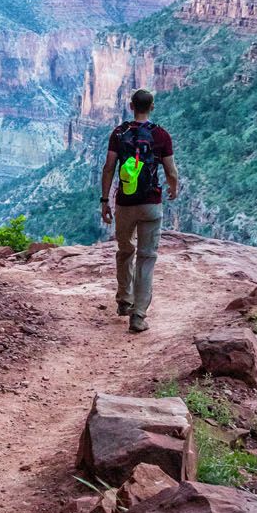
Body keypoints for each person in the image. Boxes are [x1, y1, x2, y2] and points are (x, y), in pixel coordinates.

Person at [99, 88, 178, 333]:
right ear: (152, 107)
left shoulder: (119, 133)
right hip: (151, 204)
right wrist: (173, 188)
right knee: (146, 257)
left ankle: (124, 300)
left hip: (125, 204)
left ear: (131, 106)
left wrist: (105, 200)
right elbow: (171, 171)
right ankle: (139, 315)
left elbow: (108, 168)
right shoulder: (161, 135)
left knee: (125, 250)